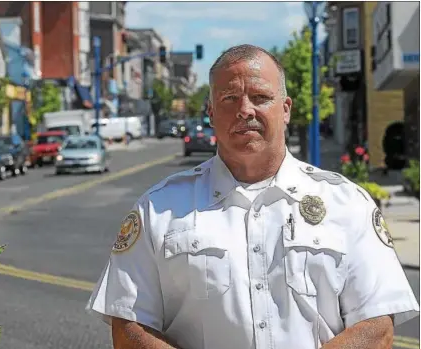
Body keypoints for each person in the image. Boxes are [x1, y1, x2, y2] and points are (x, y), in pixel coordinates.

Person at [86, 44, 419, 349]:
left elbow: (377, 326)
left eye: (260, 97)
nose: (245, 110)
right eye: (230, 99)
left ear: (285, 109)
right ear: (212, 112)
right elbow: (129, 328)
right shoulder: (158, 210)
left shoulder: (347, 203)